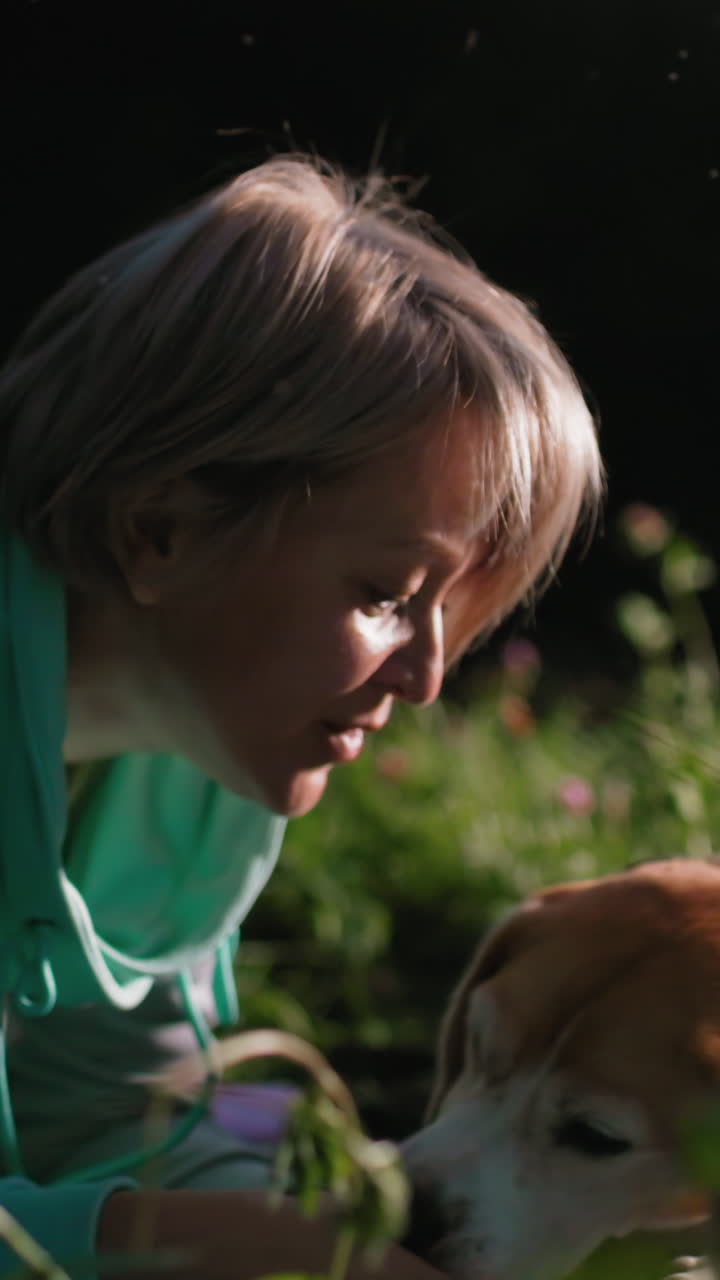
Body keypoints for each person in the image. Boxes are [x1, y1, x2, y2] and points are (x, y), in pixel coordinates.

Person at [0, 154, 602, 1279]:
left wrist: (340, 1172)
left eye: (451, 613)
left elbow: (147, 1098)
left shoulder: (200, 769)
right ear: (161, 529)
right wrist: (168, 1234)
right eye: (385, 595)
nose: (425, 677)